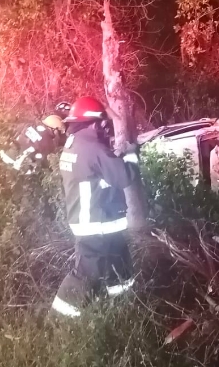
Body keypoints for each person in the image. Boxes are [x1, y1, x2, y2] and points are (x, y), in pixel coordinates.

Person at [51, 96, 139, 318]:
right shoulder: (93, 148)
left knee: (118, 268)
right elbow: (125, 176)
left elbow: (96, 174)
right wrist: (130, 155)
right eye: (101, 122)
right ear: (93, 122)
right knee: (87, 273)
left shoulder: (74, 145)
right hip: (98, 224)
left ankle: (121, 311)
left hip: (95, 222)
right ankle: (60, 320)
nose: (104, 127)